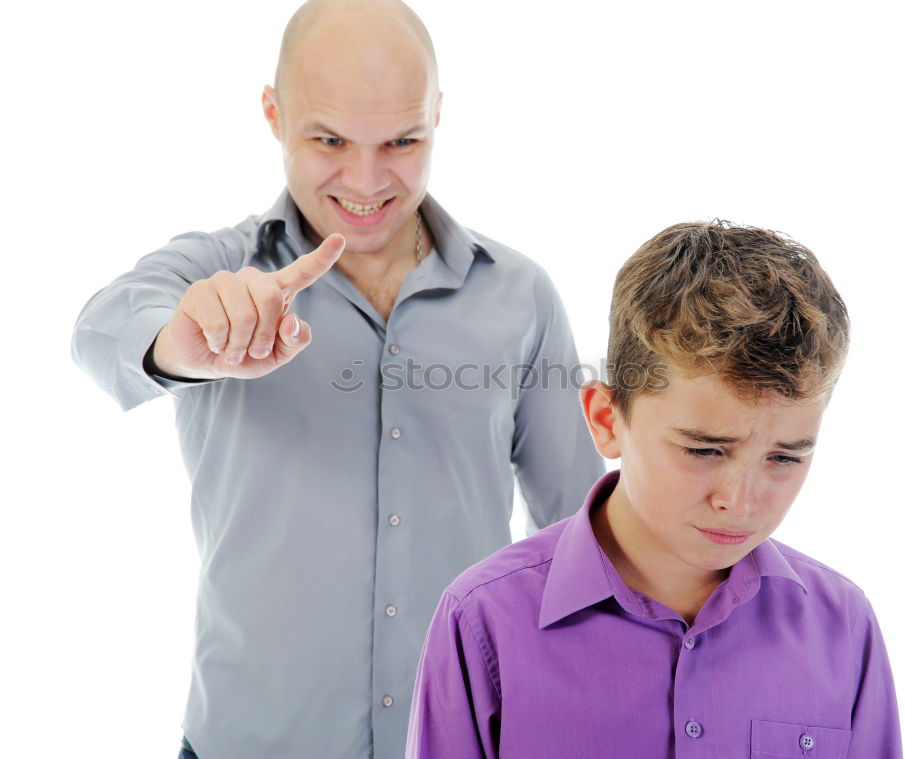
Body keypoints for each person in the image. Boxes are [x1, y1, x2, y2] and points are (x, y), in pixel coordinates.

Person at [70, 1, 604, 757]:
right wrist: (180, 346)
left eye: (402, 140)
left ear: (438, 117)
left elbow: (575, 539)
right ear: (273, 113)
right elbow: (99, 329)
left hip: (461, 741)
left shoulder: (520, 295)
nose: (366, 179)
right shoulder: (219, 272)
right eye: (328, 138)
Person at [406, 221, 903, 758]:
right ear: (605, 419)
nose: (740, 501)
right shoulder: (483, 622)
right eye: (704, 450)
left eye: (785, 458)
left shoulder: (844, 629)